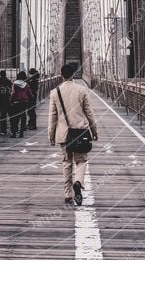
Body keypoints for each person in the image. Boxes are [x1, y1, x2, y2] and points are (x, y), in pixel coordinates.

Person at [48, 63, 98, 205]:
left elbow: (52, 116)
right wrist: (94, 131)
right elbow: (89, 113)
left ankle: (68, 193)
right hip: (81, 132)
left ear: (61, 75)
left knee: (67, 162)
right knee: (81, 160)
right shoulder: (81, 90)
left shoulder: (54, 92)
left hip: (63, 134)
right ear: (73, 74)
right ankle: (78, 182)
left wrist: (51, 135)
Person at [8, 71, 32, 138]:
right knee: (23, 117)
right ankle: (21, 132)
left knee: (14, 118)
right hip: (24, 103)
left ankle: (14, 133)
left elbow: (13, 93)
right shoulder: (26, 84)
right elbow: (29, 94)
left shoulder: (14, 84)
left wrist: (10, 101)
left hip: (15, 103)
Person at [0, 70, 12, 134]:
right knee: (11, 115)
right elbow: (11, 91)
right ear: (5, 74)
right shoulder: (8, 82)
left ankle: (3, 130)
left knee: (3, 116)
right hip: (8, 100)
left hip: (1, 101)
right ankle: (12, 129)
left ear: (0, 74)